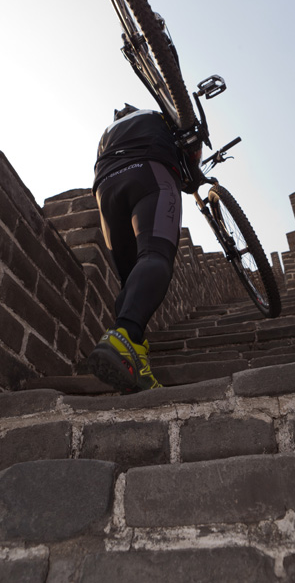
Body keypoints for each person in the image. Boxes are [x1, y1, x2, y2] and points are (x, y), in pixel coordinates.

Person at [86, 104, 203, 393]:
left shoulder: (107, 133)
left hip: (106, 185)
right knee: (154, 256)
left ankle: (129, 356)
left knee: (131, 281)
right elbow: (192, 142)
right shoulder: (158, 114)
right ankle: (125, 335)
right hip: (150, 172)